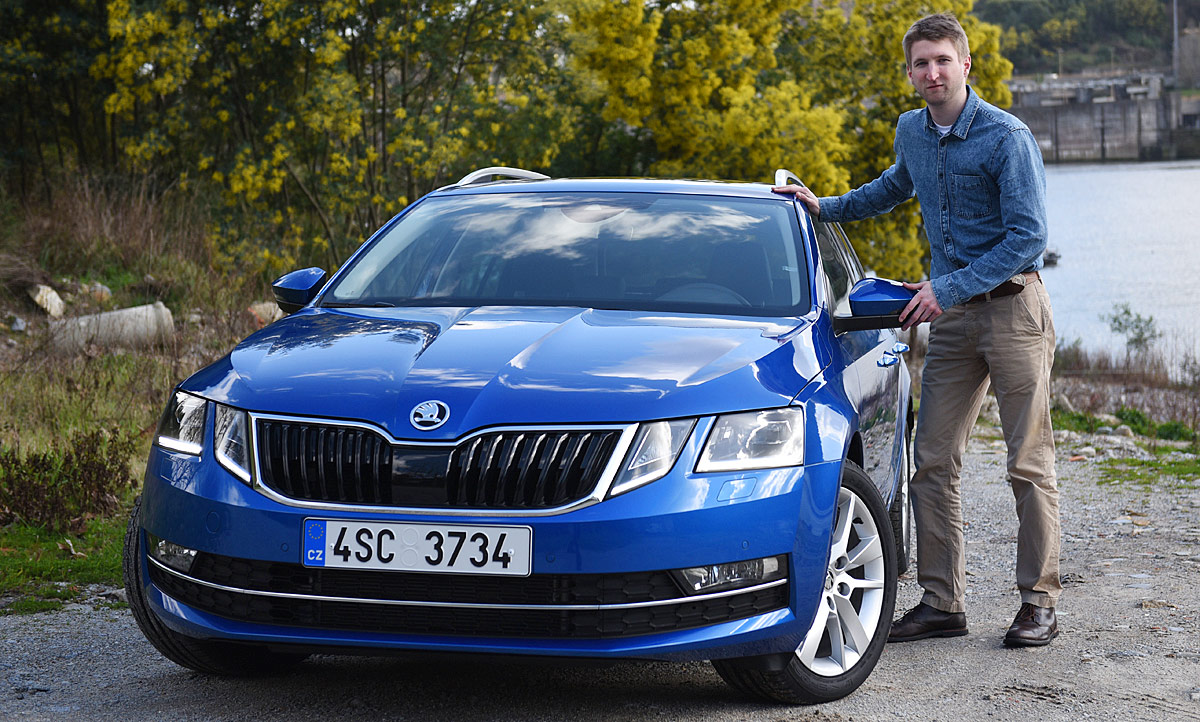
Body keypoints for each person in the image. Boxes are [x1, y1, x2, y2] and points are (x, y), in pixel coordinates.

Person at [774, 12, 1060, 647]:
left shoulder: (1006, 137)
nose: (932, 72)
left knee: (1027, 463)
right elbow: (894, 188)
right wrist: (827, 208)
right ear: (910, 74)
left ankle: (1039, 602)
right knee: (931, 461)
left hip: (1014, 310)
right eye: (921, 63)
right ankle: (942, 601)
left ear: (966, 66)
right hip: (952, 317)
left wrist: (946, 287)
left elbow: (1029, 237)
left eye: (942, 61)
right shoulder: (912, 129)